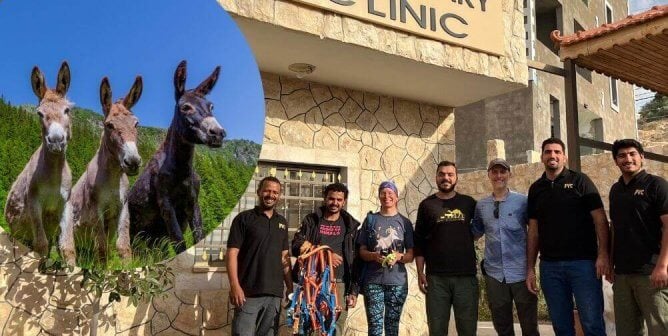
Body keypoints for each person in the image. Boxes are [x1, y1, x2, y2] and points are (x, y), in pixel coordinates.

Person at [526, 137, 609, 336]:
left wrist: (603, 254)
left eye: (557, 152)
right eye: (548, 152)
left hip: (583, 265)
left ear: (564, 156)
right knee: (561, 326)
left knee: (592, 324)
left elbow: (600, 220)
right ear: (542, 157)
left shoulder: (581, 181)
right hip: (550, 268)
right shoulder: (536, 189)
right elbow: (533, 231)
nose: (552, 155)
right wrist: (529, 267)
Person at [472, 158, 539, 336]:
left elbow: (534, 232)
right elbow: (475, 232)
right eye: (494, 172)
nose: (498, 176)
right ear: (489, 175)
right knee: (502, 327)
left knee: (530, 326)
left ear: (509, 174)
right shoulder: (481, 206)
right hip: (495, 275)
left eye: (502, 172)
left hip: (521, 273)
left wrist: (531, 269)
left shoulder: (522, 202)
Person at [608, 139, 668, 336]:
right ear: (616, 161)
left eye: (632, 154)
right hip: (622, 274)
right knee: (627, 332)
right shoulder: (615, 190)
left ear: (642, 157)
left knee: (659, 330)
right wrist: (610, 263)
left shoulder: (657, 185)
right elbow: (614, 229)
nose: (628, 159)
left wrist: (662, 266)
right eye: (622, 155)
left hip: (651, 273)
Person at [415, 160, 478, 336]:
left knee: (467, 330)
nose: (446, 178)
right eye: (442, 174)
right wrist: (421, 273)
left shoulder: (468, 203)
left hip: (465, 277)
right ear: (436, 177)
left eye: (450, 174)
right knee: (437, 330)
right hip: (436, 279)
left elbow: (480, 229)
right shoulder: (426, 205)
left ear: (456, 177)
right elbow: (419, 243)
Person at [226, 176, 292, 336]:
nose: (271, 195)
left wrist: (290, 288)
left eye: (275, 192)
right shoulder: (244, 219)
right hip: (248, 293)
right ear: (259, 192)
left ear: (280, 196)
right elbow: (232, 253)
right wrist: (235, 285)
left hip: (274, 294)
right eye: (267, 190)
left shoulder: (282, 222)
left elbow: (285, 257)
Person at [292, 182, 361, 334]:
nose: (335, 203)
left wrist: (354, 291)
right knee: (308, 324)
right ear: (325, 198)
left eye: (339, 199)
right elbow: (296, 246)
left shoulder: (351, 225)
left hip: (340, 283)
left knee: (335, 327)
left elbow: (356, 261)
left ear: (344, 201)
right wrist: (325, 254)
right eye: (331, 199)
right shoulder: (312, 220)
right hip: (312, 282)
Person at [357, 181, 415, 336]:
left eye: (390, 193)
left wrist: (399, 257)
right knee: (374, 328)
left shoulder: (405, 223)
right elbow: (361, 251)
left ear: (396, 197)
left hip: (397, 283)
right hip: (373, 281)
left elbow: (410, 254)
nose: (386, 196)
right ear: (379, 196)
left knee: (392, 328)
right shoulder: (370, 220)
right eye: (383, 193)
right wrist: (373, 256)